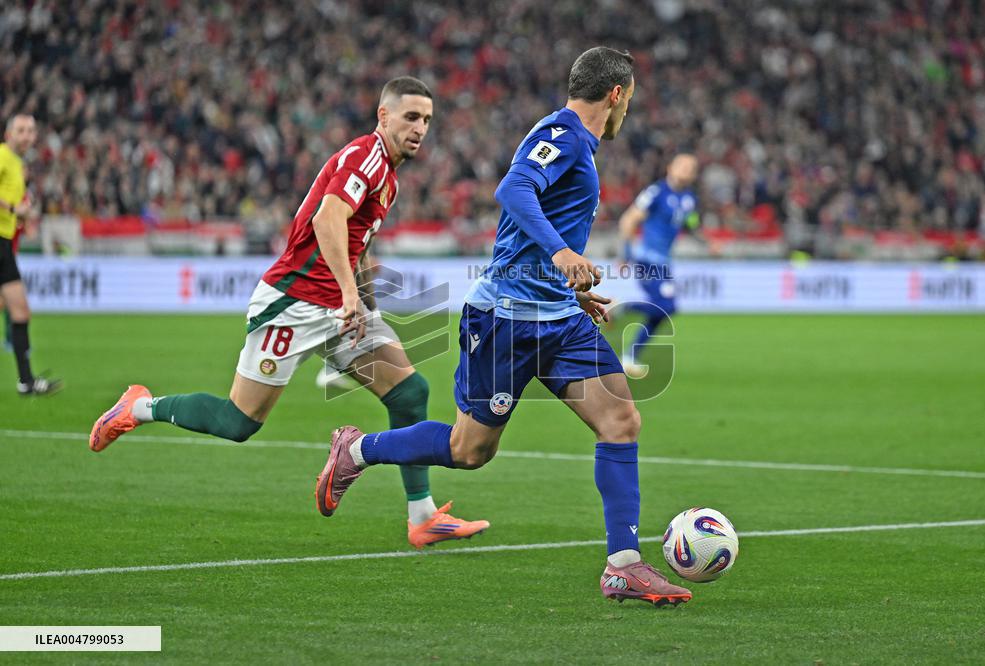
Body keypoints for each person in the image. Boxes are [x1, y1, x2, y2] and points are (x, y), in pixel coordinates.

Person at [316, 48, 692, 607]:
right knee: (470, 452)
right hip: (506, 320)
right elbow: (514, 191)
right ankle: (359, 449)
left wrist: (569, 285)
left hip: (558, 317)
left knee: (620, 419)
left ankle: (623, 566)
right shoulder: (562, 133)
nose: (627, 113)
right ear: (615, 94)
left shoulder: (578, 144)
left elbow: (532, 225)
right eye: (629, 101)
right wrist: (563, 252)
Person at [89, 77, 489, 549]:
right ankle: (138, 406)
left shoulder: (390, 178)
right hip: (293, 304)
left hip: (339, 309)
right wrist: (347, 295)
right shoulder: (367, 156)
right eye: (410, 117)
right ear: (384, 116)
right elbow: (327, 219)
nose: (420, 127)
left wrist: (365, 302)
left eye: (427, 120)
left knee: (408, 392)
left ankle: (421, 516)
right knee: (239, 423)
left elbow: (356, 245)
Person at [617, 154, 700, 378]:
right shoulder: (656, 192)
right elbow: (628, 220)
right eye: (682, 164)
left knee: (662, 311)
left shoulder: (690, 199)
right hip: (646, 258)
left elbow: (689, 226)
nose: (686, 169)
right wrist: (625, 255)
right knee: (667, 306)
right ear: (669, 167)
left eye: (691, 167)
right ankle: (619, 308)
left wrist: (707, 243)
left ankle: (628, 358)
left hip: (664, 261)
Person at [0, 114, 60, 395]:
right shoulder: (2, 155)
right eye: (21, 130)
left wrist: (21, 218)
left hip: (4, 245)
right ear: (9, 133)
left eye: (31, 131)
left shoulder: (18, 164)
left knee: (20, 311)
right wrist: (14, 210)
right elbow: (10, 206)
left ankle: (26, 381)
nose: (27, 136)